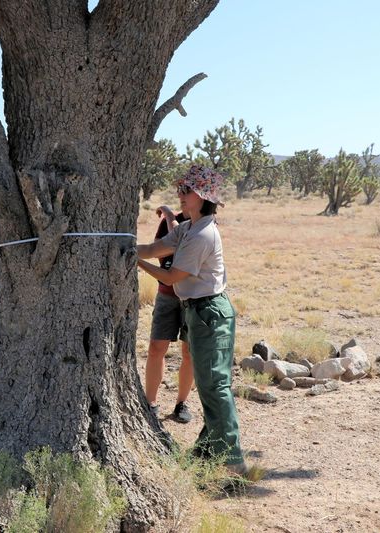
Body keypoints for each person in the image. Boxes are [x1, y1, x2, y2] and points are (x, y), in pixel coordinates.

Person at [136, 164, 247, 474]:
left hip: (209, 312)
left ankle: (234, 464)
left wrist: (133, 260)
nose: (180, 195)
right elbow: (154, 248)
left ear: (202, 196)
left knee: (215, 387)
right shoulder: (188, 228)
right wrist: (126, 247)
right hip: (199, 312)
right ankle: (206, 454)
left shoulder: (202, 234)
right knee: (212, 385)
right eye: (181, 190)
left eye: (186, 191)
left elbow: (172, 275)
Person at [145, 206, 194, 423]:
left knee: (189, 352)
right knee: (156, 347)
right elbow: (159, 250)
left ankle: (181, 403)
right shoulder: (168, 220)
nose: (182, 197)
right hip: (166, 293)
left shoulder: (204, 221)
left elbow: (183, 246)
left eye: (186, 192)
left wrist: (170, 217)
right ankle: (150, 402)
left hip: (193, 297)